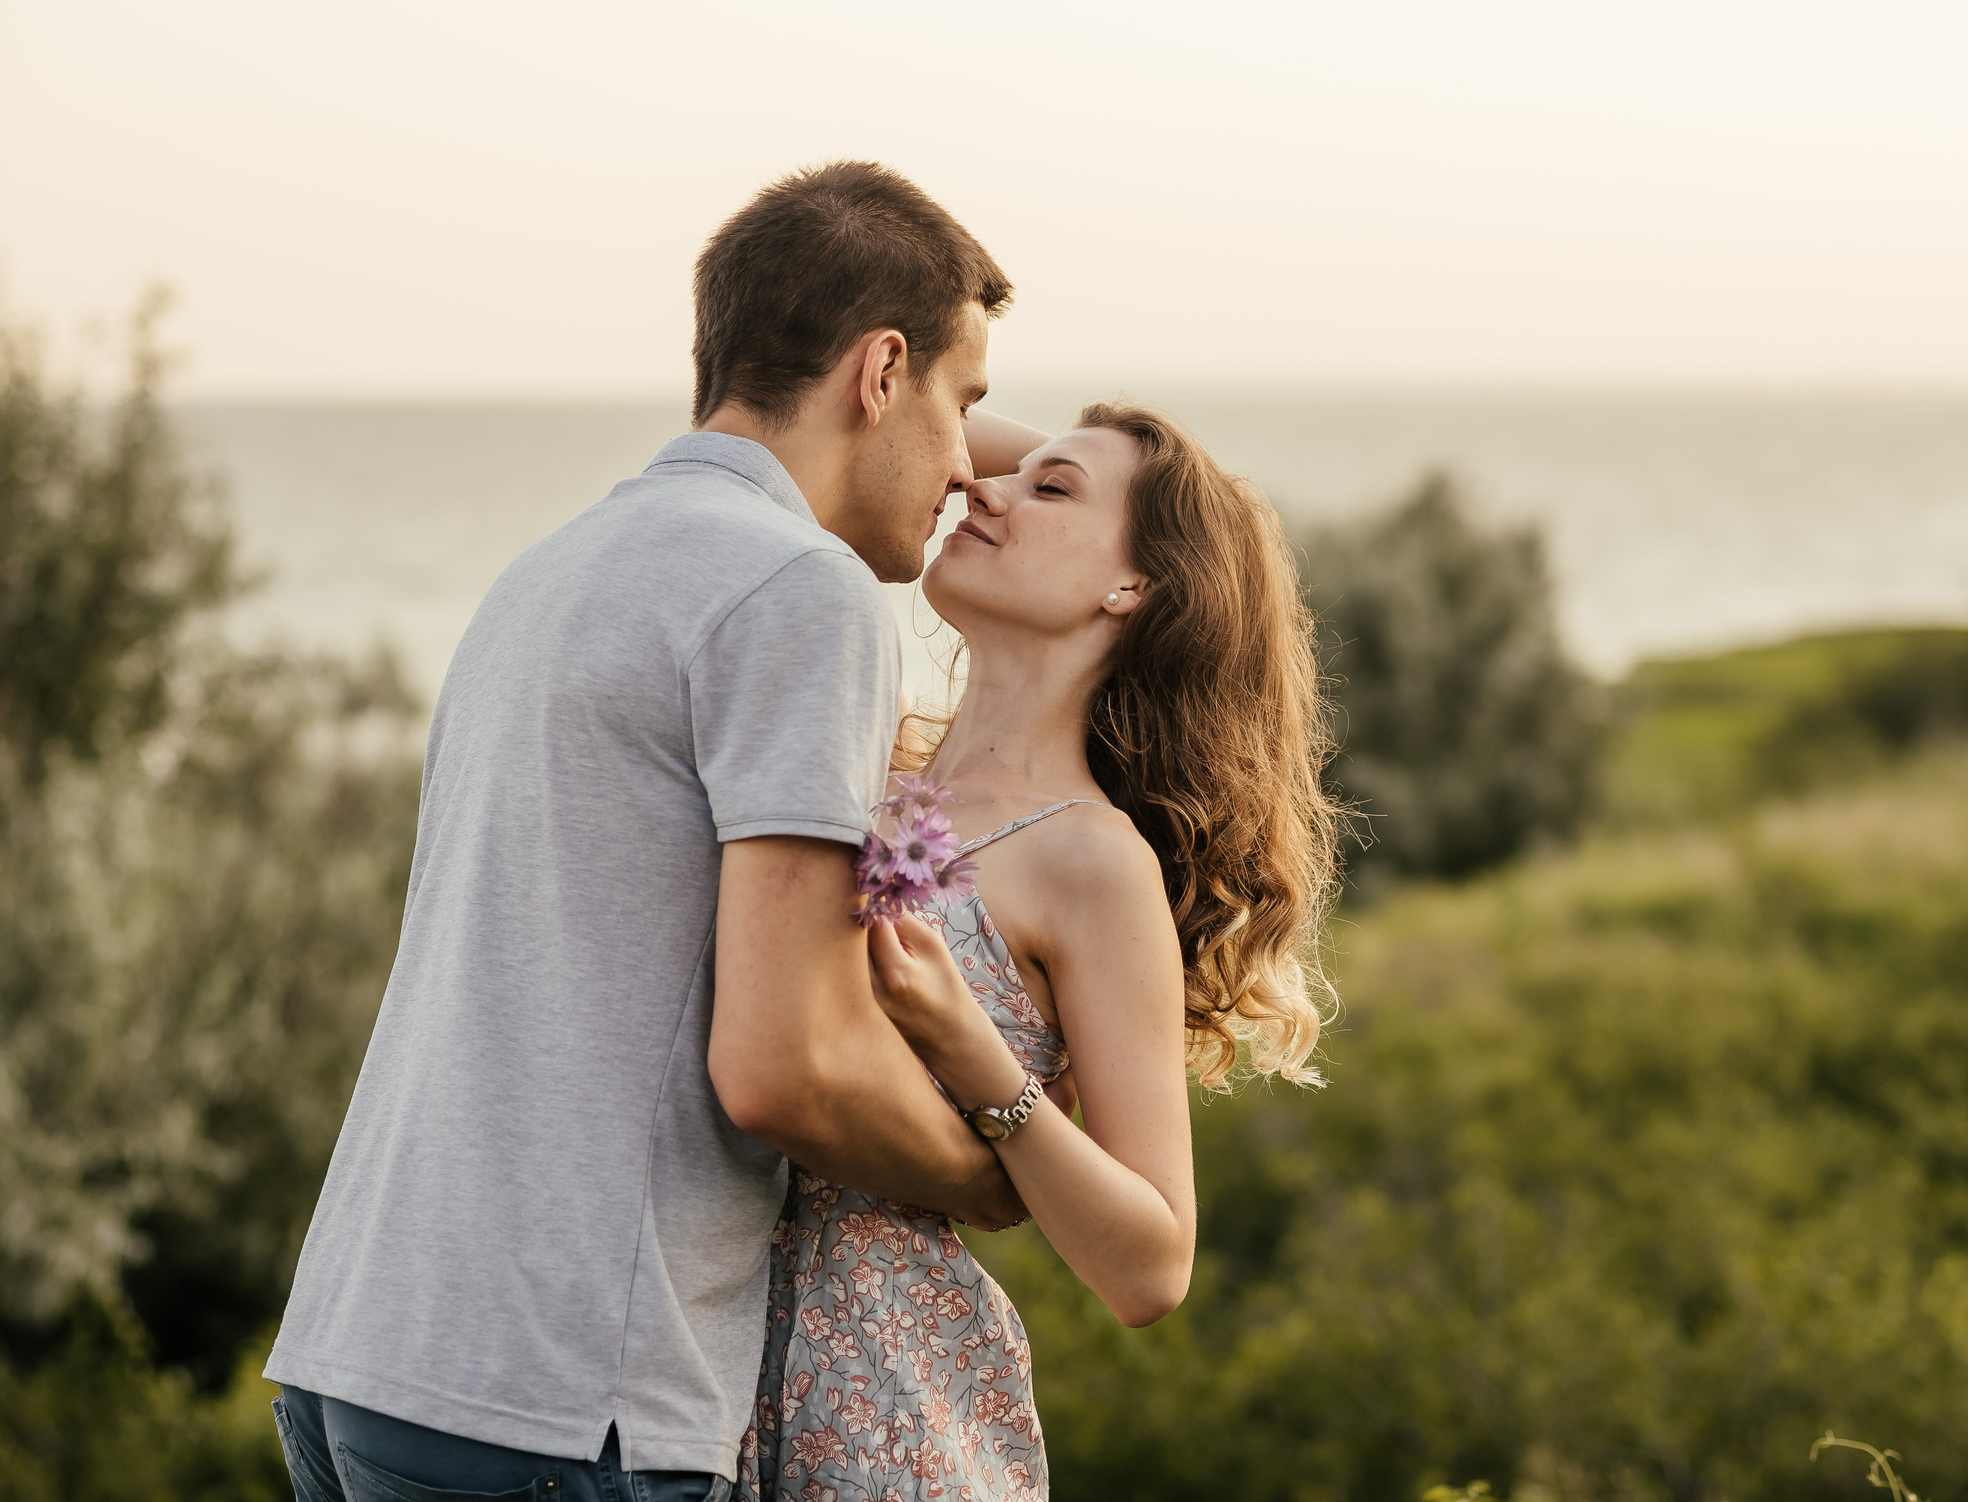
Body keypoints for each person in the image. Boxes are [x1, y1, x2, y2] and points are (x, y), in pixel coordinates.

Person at [265, 162, 1053, 1502]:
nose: (973, 458)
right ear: (880, 372)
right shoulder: (799, 589)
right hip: (562, 1401)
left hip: (360, 1352)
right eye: (964, 401)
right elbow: (777, 1063)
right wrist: (991, 1173)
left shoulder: (554, 570)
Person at [734, 404, 1342, 1502]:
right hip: (691, 1372)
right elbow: (892, 392)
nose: (982, 485)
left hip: (886, 1409)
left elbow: (1152, 1264)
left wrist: (975, 1056)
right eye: (995, 471)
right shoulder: (857, 763)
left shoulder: (1091, 862)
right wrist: (962, 421)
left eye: (1048, 489)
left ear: (1131, 588)